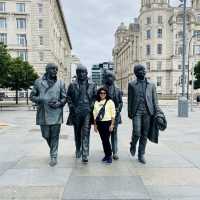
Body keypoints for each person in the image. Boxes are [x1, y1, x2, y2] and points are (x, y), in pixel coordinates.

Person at [30, 63, 67, 167]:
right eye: (53, 69)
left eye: (56, 69)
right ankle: (53, 150)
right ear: (47, 70)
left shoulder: (60, 83)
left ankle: (53, 156)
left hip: (56, 113)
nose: (55, 71)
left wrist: (59, 103)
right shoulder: (38, 82)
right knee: (45, 135)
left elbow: (64, 97)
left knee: (55, 136)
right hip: (43, 112)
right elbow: (32, 96)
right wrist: (40, 99)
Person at [128, 64, 159, 164]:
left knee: (144, 134)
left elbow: (155, 100)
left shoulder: (151, 84)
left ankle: (141, 154)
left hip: (148, 112)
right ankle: (133, 144)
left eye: (144, 70)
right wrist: (129, 113)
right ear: (136, 73)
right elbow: (130, 100)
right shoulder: (132, 84)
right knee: (137, 132)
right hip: (136, 111)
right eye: (141, 70)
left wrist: (157, 112)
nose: (144, 71)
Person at [66, 64, 96, 163]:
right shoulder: (72, 85)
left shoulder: (92, 84)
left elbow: (95, 97)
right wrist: (72, 107)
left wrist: (91, 105)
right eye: (79, 72)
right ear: (77, 73)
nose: (81, 74)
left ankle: (85, 153)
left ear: (86, 73)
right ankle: (78, 149)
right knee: (77, 132)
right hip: (76, 111)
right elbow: (68, 97)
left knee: (86, 132)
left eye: (83, 72)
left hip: (87, 111)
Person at [103, 71, 123, 160]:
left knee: (114, 133)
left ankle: (114, 152)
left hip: (115, 116)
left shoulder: (117, 90)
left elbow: (121, 102)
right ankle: (108, 152)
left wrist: (118, 109)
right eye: (108, 77)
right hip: (105, 116)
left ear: (114, 78)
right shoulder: (102, 90)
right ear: (105, 78)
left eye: (111, 77)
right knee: (106, 134)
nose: (109, 78)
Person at [93, 87, 116, 164]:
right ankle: (106, 155)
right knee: (103, 140)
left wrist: (112, 125)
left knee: (106, 140)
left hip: (107, 123)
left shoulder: (110, 102)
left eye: (104, 93)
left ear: (106, 94)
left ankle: (109, 156)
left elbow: (113, 114)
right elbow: (95, 115)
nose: (102, 94)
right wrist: (95, 125)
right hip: (99, 123)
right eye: (101, 93)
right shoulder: (96, 102)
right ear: (99, 94)